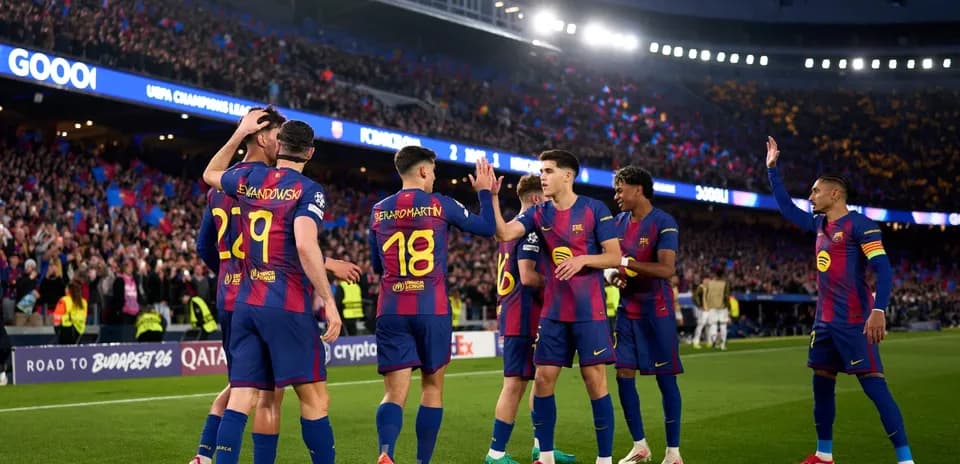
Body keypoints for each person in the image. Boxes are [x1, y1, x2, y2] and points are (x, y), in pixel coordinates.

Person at [190, 108, 361, 464]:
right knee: (312, 399)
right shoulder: (304, 189)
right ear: (310, 152)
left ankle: (206, 455)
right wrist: (328, 299)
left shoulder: (246, 180)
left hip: (241, 300)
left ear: (279, 144)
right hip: (284, 302)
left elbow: (208, 177)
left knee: (244, 394)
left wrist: (239, 132)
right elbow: (301, 244)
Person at [766, 136, 914, 464]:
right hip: (824, 323)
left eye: (815, 191)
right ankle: (824, 455)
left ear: (834, 194)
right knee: (821, 386)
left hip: (854, 321)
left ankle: (906, 460)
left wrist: (879, 309)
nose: (810, 196)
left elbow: (883, 269)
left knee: (875, 387)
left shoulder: (860, 225)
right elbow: (786, 208)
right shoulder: (818, 224)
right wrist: (772, 170)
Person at [491, 150, 622, 464]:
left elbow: (615, 256)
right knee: (542, 380)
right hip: (553, 313)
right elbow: (504, 232)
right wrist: (491, 197)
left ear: (568, 175)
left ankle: (604, 459)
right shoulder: (539, 213)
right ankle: (546, 456)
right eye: (541, 171)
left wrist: (583, 260)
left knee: (595, 382)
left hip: (589, 312)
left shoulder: (594, 209)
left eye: (548, 171)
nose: (543, 177)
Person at [370, 146, 495, 464]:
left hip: (391, 307)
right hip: (431, 307)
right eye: (434, 171)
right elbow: (487, 228)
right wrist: (484, 193)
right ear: (424, 170)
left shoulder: (379, 210)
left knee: (393, 393)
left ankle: (386, 452)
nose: (435, 177)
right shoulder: (440, 204)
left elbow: (376, 265)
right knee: (432, 388)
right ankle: (422, 462)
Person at [484, 175, 575, 464]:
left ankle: (541, 447)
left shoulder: (512, 228)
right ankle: (496, 453)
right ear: (536, 199)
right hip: (524, 317)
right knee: (515, 384)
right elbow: (527, 276)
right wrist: (561, 284)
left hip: (518, 314)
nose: (550, 204)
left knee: (540, 382)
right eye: (546, 198)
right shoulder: (531, 229)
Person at [604, 166, 683, 464]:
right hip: (627, 310)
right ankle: (640, 446)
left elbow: (666, 269)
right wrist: (612, 274)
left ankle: (673, 453)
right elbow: (609, 263)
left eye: (620, 190)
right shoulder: (617, 222)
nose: (616, 196)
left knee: (665, 379)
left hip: (656, 311)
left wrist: (625, 262)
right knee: (623, 374)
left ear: (637, 190)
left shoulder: (663, 222)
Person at [701, 268, 731, 350]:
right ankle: (722, 344)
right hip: (722, 307)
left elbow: (705, 295)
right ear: (723, 275)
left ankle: (714, 340)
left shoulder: (709, 283)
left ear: (715, 275)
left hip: (712, 307)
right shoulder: (725, 284)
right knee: (723, 325)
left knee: (713, 325)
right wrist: (728, 307)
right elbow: (726, 296)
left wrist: (706, 305)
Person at [54, 280, 87, 345]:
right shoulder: (84, 302)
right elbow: (84, 317)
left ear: (69, 290)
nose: (65, 289)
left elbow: (57, 316)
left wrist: (57, 329)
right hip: (79, 330)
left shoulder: (64, 300)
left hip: (66, 330)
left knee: (65, 350)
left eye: (66, 288)